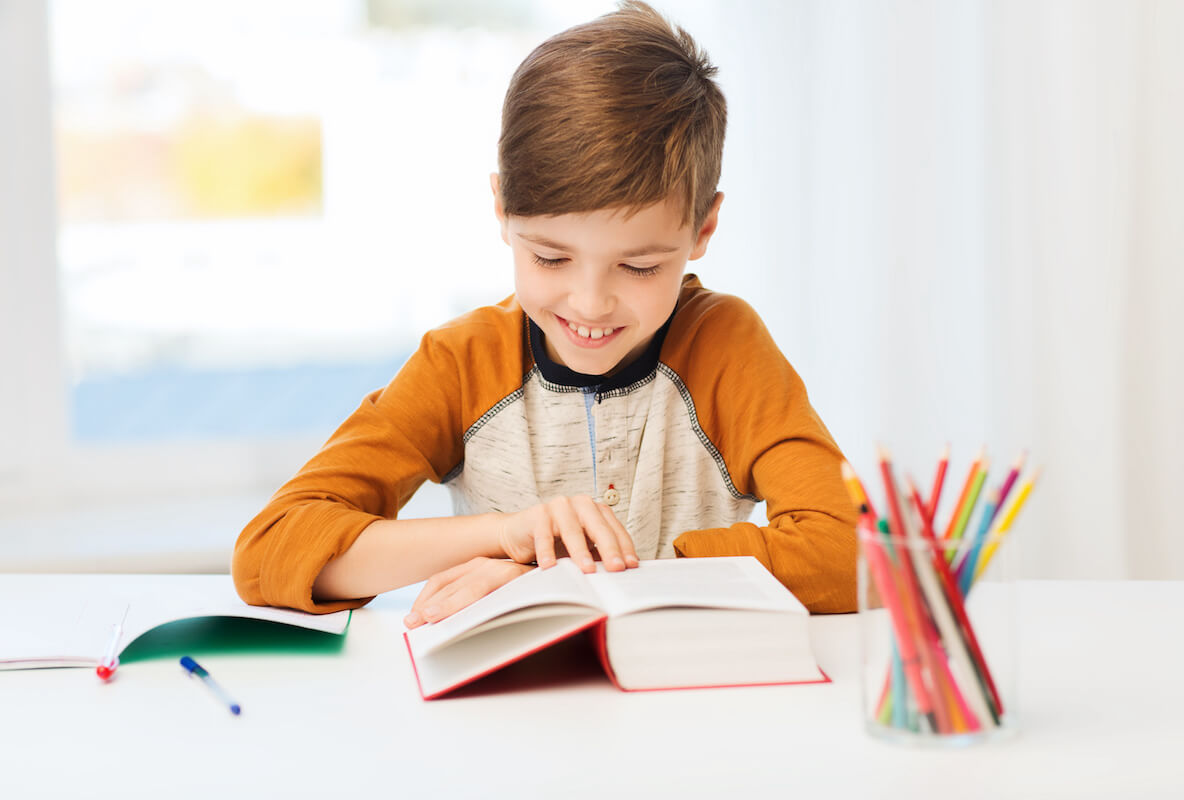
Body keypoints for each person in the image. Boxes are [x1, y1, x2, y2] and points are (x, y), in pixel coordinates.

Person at [232, 1, 857, 626]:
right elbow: (272, 551)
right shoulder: (463, 362)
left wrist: (574, 582)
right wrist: (505, 536)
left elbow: (852, 555)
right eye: (551, 258)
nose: (589, 304)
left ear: (703, 228)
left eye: (639, 267)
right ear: (502, 210)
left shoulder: (726, 349)